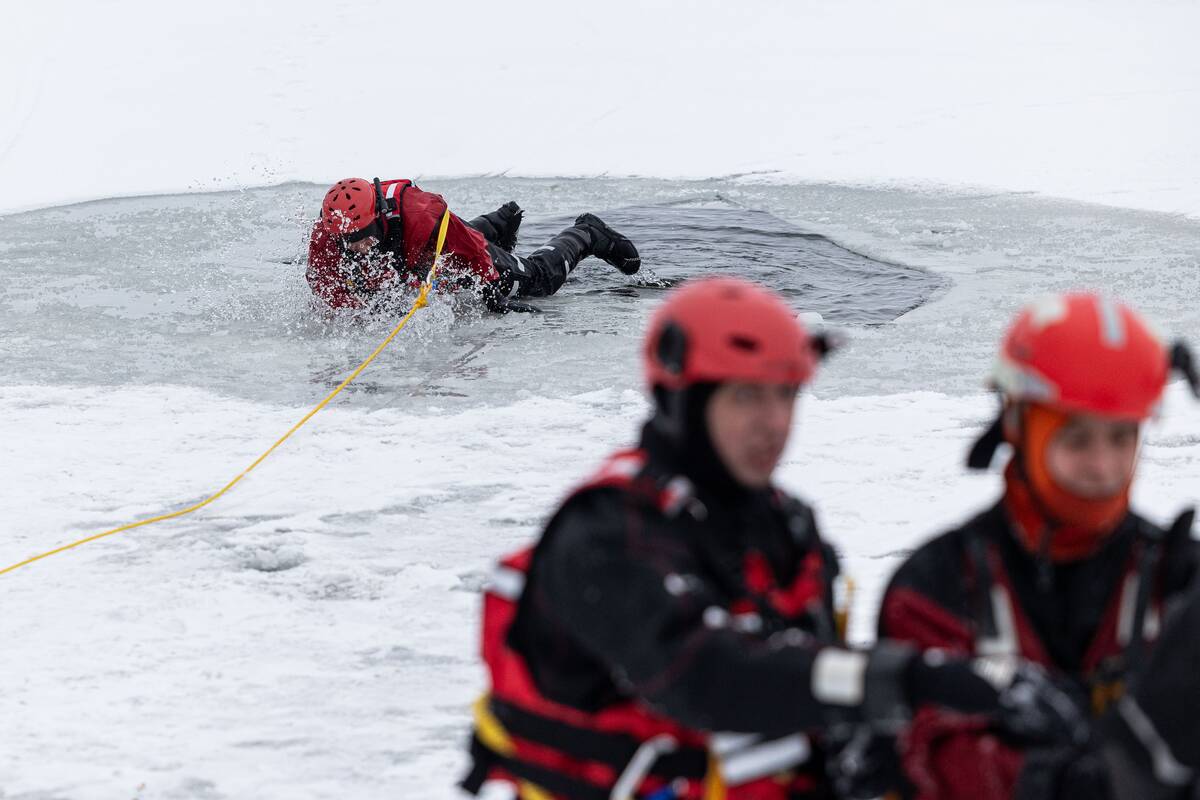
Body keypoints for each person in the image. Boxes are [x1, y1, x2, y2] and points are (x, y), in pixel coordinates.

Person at [460, 277, 1084, 800]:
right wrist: (913, 680)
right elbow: (706, 678)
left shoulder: (786, 529)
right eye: (747, 397)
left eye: (785, 395)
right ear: (683, 401)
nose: (774, 423)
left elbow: (810, 683)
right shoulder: (604, 534)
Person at [876, 292, 1200, 799]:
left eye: (1121, 438)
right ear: (1017, 424)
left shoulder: (1176, 580)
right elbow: (938, 758)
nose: (1103, 467)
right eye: (1077, 439)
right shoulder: (935, 589)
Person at [306, 177, 641, 312]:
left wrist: (493, 291)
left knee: (536, 281)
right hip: (424, 250)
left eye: (364, 236)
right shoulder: (329, 231)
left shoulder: (422, 214)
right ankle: (500, 222)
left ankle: (586, 233)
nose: (358, 247)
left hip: (453, 242)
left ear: (379, 214)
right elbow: (322, 281)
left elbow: (469, 248)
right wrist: (354, 310)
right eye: (349, 241)